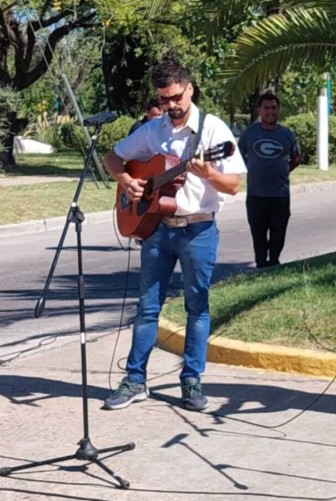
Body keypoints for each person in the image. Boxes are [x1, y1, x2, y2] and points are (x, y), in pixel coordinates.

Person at [102, 59, 246, 411]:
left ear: (190, 88)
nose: (170, 106)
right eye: (163, 100)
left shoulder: (213, 130)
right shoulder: (155, 130)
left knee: (196, 307)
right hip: (157, 230)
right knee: (147, 307)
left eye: (175, 98)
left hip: (198, 229)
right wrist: (127, 181)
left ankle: (192, 381)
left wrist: (209, 173)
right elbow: (113, 156)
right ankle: (135, 379)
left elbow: (233, 185)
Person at [237, 92, 302, 269]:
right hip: (256, 194)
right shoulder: (250, 133)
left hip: (280, 195)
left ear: (279, 109)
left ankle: (274, 264)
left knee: (278, 234)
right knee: (258, 234)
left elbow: (296, 157)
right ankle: (261, 265)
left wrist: (284, 170)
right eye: (266, 108)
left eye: (274, 107)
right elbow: (238, 156)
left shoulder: (287, 134)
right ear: (259, 110)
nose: (270, 111)